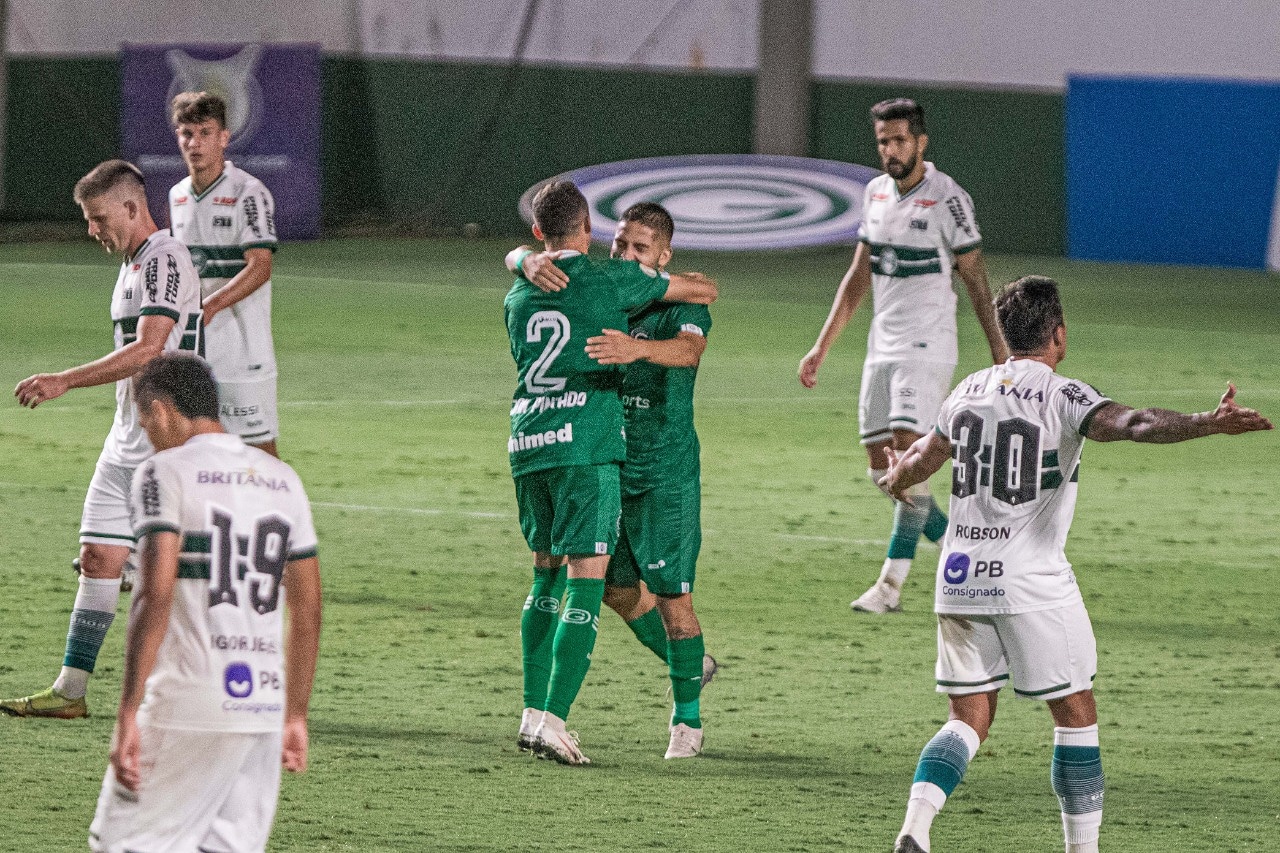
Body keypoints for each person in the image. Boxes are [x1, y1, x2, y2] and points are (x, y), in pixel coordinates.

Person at [878, 276, 1271, 853]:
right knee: (1074, 712)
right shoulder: (1062, 395)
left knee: (967, 719)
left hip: (958, 577)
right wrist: (1205, 422)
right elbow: (1134, 423)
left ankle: (915, 828)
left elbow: (921, 458)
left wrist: (893, 477)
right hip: (1029, 579)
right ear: (1058, 334)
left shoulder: (966, 391)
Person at [503, 181, 717, 765]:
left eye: (639, 247)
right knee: (618, 590)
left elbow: (690, 350)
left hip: (662, 466)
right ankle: (691, 667)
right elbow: (541, 266)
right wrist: (523, 259)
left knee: (672, 594)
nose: (625, 255)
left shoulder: (677, 302)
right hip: (602, 454)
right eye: (619, 243)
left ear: (662, 256)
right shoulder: (601, 285)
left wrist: (637, 349)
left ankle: (687, 720)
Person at [88, 353, 321, 853]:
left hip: (187, 701)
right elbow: (307, 609)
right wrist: (295, 713)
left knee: (124, 845)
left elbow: (156, 591)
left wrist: (128, 710)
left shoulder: (162, 472)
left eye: (146, 417)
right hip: (261, 706)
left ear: (165, 409)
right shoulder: (282, 478)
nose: (147, 432)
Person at [2, 160, 203, 719]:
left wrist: (63, 379)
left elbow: (149, 348)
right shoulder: (132, 266)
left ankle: (212, 689)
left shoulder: (165, 258)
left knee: (181, 581)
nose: (92, 230)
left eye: (97, 218)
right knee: (97, 558)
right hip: (126, 440)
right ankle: (70, 691)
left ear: (133, 208)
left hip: (170, 444)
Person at [799, 97, 1009, 613]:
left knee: (907, 460)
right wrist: (821, 347)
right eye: (882, 142)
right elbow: (857, 277)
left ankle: (889, 587)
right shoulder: (874, 194)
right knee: (880, 469)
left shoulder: (948, 200)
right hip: (881, 345)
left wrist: (1001, 350)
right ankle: (965, 548)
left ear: (920, 142)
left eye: (898, 140)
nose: (889, 151)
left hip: (927, 345)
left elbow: (978, 284)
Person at [169, 91, 282, 457]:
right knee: (199, 450)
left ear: (224, 137)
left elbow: (260, 266)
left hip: (243, 350)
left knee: (259, 453)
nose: (195, 142)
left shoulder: (249, 193)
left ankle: (283, 513)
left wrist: (211, 305)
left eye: (205, 132)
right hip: (195, 350)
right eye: (187, 133)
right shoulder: (178, 196)